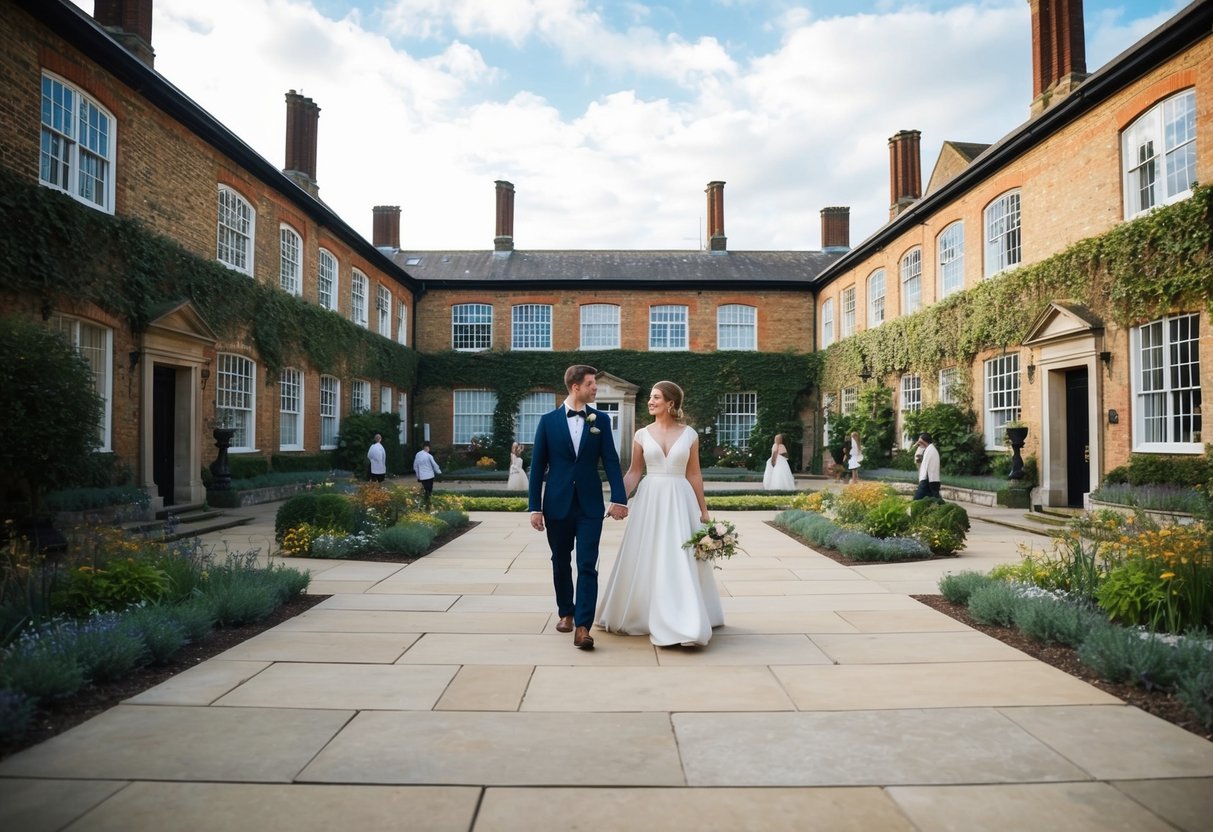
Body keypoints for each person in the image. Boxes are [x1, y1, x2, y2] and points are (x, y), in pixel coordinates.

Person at [598, 381, 724, 648]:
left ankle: (687, 621)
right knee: (650, 553)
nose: (650, 401)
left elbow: (694, 473)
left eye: (656, 398)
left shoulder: (690, 434)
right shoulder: (641, 434)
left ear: (670, 403)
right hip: (650, 499)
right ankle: (644, 612)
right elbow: (634, 472)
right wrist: (618, 500)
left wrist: (703, 510)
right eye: (651, 398)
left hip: (680, 500)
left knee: (680, 556)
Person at [529, 365, 628, 651]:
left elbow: (611, 460)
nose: (595, 388)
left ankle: (583, 626)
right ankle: (566, 612)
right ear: (575, 387)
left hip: (589, 505)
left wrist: (619, 499)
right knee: (560, 562)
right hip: (556, 505)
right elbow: (537, 467)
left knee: (587, 564)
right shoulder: (548, 422)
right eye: (591, 384)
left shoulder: (601, 420)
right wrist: (535, 506)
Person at [412, 442, 441, 509]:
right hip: (430, 475)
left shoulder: (418, 454)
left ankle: (423, 502)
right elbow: (434, 465)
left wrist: (418, 476)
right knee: (429, 489)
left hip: (422, 476)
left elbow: (415, 466)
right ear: (428, 448)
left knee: (425, 489)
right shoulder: (429, 456)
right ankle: (428, 502)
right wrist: (439, 472)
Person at [914, 432, 942, 500]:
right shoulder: (929, 449)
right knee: (935, 500)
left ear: (923, 441)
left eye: (920, 441)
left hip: (928, 480)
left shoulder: (931, 450)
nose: (918, 443)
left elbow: (925, 465)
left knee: (917, 499)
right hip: (930, 480)